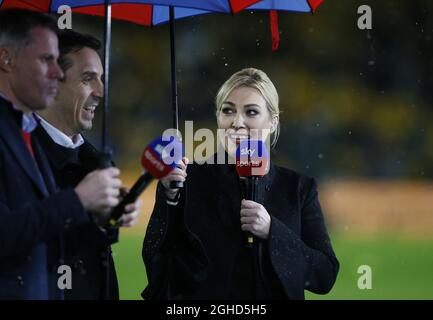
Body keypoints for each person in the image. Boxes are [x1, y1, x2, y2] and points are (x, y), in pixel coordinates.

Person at [142, 68, 339, 300]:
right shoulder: (186, 179)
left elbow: (324, 275)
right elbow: (157, 265)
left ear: (273, 122)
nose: (237, 122)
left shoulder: (298, 188)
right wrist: (170, 199)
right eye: (228, 110)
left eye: (251, 112)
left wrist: (272, 231)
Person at [0, 9, 122, 299]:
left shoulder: (24, 130)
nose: (55, 72)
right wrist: (78, 201)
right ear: (7, 59)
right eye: (46, 60)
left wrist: (99, 219)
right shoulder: (19, 134)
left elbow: (49, 244)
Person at [35, 30, 140, 300]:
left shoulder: (97, 161)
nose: (101, 92)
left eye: (101, 79)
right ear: (53, 82)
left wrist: (110, 218)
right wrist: (80, 202)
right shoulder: (19, 153)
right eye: (88, 79)